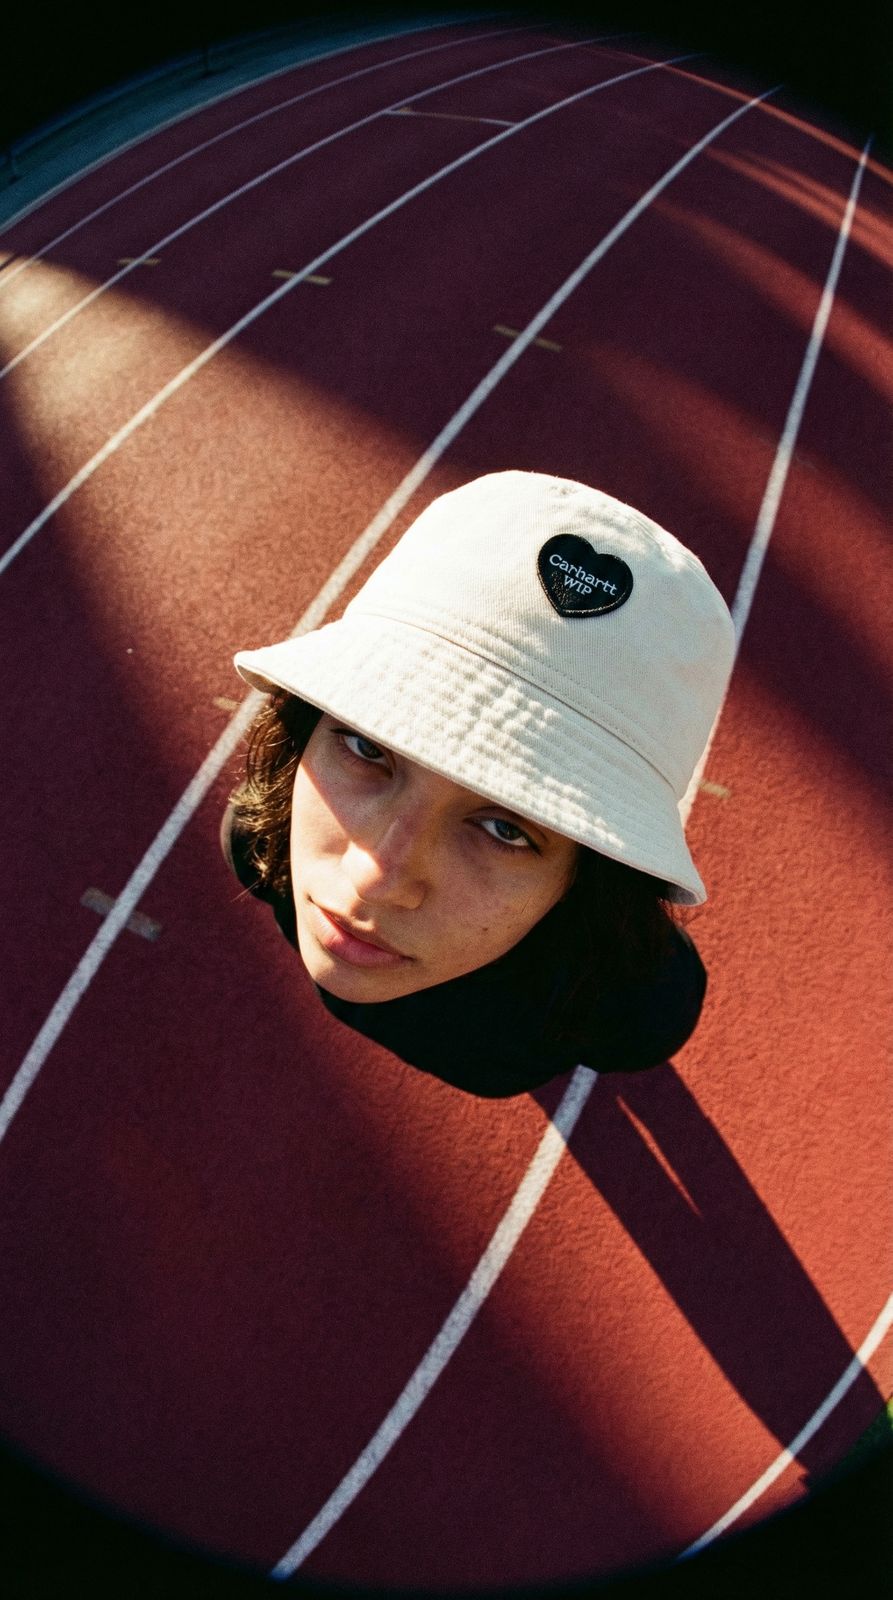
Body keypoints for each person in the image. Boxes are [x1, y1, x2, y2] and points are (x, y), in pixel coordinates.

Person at [221, 470, 735, 1098]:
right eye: (365, 748)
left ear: (588, 879)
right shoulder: (258, 840)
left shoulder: (638, 1003)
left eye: (505, 828)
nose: (374, 880)